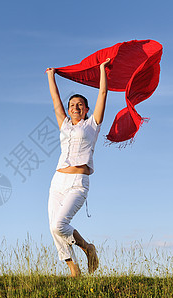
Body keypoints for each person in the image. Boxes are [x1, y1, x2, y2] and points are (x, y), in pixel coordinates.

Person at [45, 58, 111, 277]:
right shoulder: (64, 124)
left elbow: (102, 94)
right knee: (53, 227)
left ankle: (88, 248)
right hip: (58, 182)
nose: (75, 107)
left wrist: (102, 70)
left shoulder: (92, 125)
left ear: (86, 109)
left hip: (78, 183)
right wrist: (51, 76)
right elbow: (56, 101)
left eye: (79, 105)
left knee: (59, 225)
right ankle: (72, 266)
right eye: (72, 105)